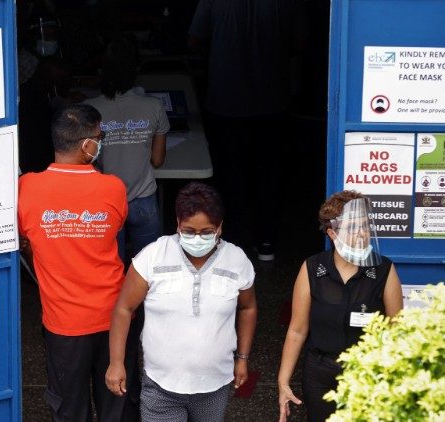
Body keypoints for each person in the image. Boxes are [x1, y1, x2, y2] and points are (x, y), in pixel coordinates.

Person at [17, 104, 132, 421]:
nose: (100, 142)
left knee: (68, 409)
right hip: (114, 318)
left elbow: (23, 238)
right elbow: (116, 228)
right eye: (100, 136)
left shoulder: (25, 188)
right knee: (117, 407)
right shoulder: (113, 188)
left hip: (63, 324)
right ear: (87, 145)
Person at [105, 182, 257, 421]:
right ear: (177, 224)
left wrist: (243, 358)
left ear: (220, 227)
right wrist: (116, 362)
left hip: (214, 386)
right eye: (188, 231)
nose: (197, 238)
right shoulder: (152, 257)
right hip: (160, 386)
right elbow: (124, 309)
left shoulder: (236, 260)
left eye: (206, 232)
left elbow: (248, 308)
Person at [277, 190, 404, 422]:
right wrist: (283, 382)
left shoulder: (384, 270)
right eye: (353, 227)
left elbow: (397, 330)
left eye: (365, 226)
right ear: (333, 233)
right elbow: (297, 330)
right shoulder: (313, 268)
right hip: (320, 373)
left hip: (368, 373)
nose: (362, 233)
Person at [188, 0, 297, 260]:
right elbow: (300, 43)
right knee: (269, 174)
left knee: (229, 176)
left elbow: (194, 39)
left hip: (226, 101)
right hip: (272, 101)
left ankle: (233, 243)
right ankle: (266, 241)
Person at [84, 36, 170, 262]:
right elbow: (158, 160)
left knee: (113, 269)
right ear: (136, 69)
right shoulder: (153, 106)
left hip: (108, 200)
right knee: (149, 268)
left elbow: (87, 162)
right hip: (143, 198)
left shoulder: (92, 110)